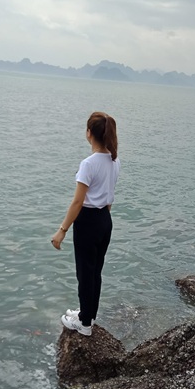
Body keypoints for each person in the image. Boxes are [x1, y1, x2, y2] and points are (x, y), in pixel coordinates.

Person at [51, 112, 120, 336]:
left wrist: (62, 230)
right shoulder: (114, 160)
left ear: (89, 133)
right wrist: (103, 220)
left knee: (84, 272)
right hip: (105, 220)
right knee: (95, 271)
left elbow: (77, 202)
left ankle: (84, 325)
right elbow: (109, 196)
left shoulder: (88, 164)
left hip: (88, 221)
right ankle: (88, 314)